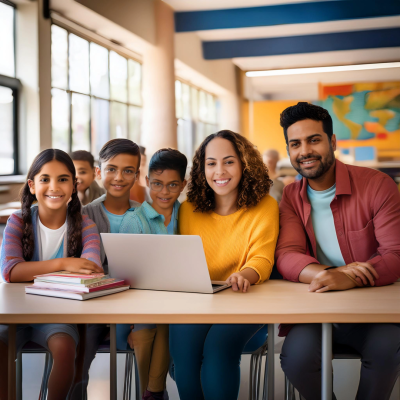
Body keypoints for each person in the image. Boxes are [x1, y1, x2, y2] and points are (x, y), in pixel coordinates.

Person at [276, 102, 400, 400]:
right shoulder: (291, 196)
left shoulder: (377, 185)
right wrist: (332, 274)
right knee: (295, 358)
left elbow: (396, 255)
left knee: (388, 351)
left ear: (332, 142)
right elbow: (287, 255)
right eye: (295, 144)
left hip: (374, 307)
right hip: (319, 306)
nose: (304, 150)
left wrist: (351, 279)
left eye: (313, 140)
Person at [169, 130, 279, 400]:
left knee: (217, 350)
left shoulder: (265, 205)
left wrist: (245, 274)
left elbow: (262, 258)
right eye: (211, 163)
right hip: (200, 304)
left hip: (245, 302)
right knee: (184, 360)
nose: (220, 170)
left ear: (244, 164)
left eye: (229, 161)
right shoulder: (188, 209)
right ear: (202, 168)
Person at [0, 149, 102, 400]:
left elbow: (91, 270)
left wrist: (32, 271)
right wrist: (65, 263)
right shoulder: (18, 221)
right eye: (45, 179)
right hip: (16, 312)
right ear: (32, 186)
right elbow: (11, 272)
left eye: (63, 179)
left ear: (74, 185)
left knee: (65, 349)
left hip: (59, 313)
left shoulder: (86, 224)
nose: (54, 187)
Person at [70, 138, 144, 399]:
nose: (119, 177)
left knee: (152, 347)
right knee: (77, 358)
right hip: (93, 307)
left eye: (128, 170)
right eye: (111, 169)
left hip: (134, 306)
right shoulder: (83, 216)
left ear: (137, 175)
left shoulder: (146, 216)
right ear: (99, 172)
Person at [119, 148, 188, 400]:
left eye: (172, 185)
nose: (164, 192)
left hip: (181, 299)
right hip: (141, 304)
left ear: (183, 184)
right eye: (157, 184)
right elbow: (124, 275)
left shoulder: (189, 215)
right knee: (151, 323)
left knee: (172, 319)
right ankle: (152, 391)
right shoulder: (134, 221)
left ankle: (153, 391)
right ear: (147, 182)